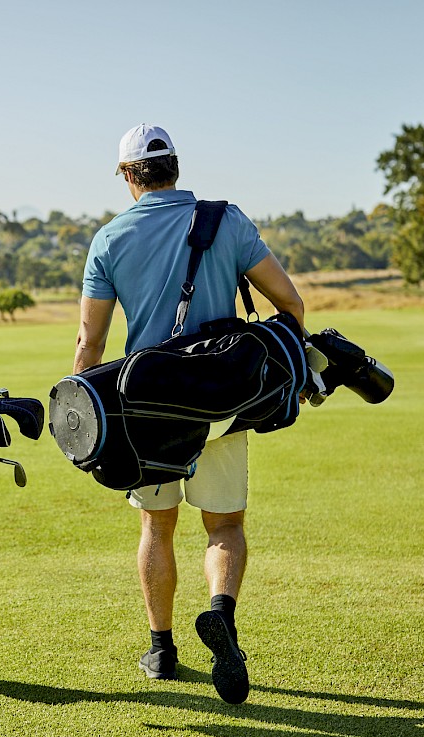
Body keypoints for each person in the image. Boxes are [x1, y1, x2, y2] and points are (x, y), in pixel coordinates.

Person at [73, 124, 305, 704]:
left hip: (147, 412)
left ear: (128, 176)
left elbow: (89, 345)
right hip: (222, 405)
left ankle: (161, 647)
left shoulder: (108, 238)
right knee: (224, 526)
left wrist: (81, 420)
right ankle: (221, 614)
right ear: (175, 167)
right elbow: (291, 303)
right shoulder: (226, 219)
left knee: (157, 526)